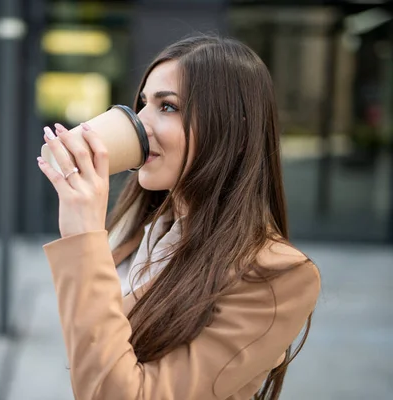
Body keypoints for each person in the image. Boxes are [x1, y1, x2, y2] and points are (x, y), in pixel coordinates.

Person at [36, 35, 320, 400]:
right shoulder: (138, 228)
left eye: (167, 107)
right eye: (142, 104)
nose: (140, 124)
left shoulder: (275, 275)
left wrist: (84, 238)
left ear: (230, 127)